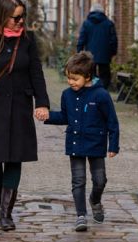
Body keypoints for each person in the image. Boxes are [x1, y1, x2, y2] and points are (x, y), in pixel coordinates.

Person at [0, 0, 50, 231]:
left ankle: (6, 211)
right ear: (2, 15)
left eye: (23, 17)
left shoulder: (27, 39)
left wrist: (42, 102)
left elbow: (36, 72)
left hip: (19, 105)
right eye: (16, 17)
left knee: (15, 157)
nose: (20, 21)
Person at [40, 51, 119, 232]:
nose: (71, 82)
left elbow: (112, 122)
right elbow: (65, 116)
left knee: (100, 180)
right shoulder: (67, 94)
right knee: (78, 181)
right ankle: (81, 215)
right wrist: (47, 116)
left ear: (88, 76)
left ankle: (95, 200)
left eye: (75, 79)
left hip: (96, 144)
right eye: (68, 78)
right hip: (75, 143)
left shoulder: (101, 95)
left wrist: (113, 145)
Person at [76, 3, 118, 91]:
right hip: (105, 54)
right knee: (105, 75)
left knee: (91, 75)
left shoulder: (86, 23)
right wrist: (112, 52)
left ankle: (93, 92)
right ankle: (102, 92)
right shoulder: (109, 23)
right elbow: (113, 40)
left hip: (90, 55)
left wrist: (79, 52)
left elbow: (81, 39)